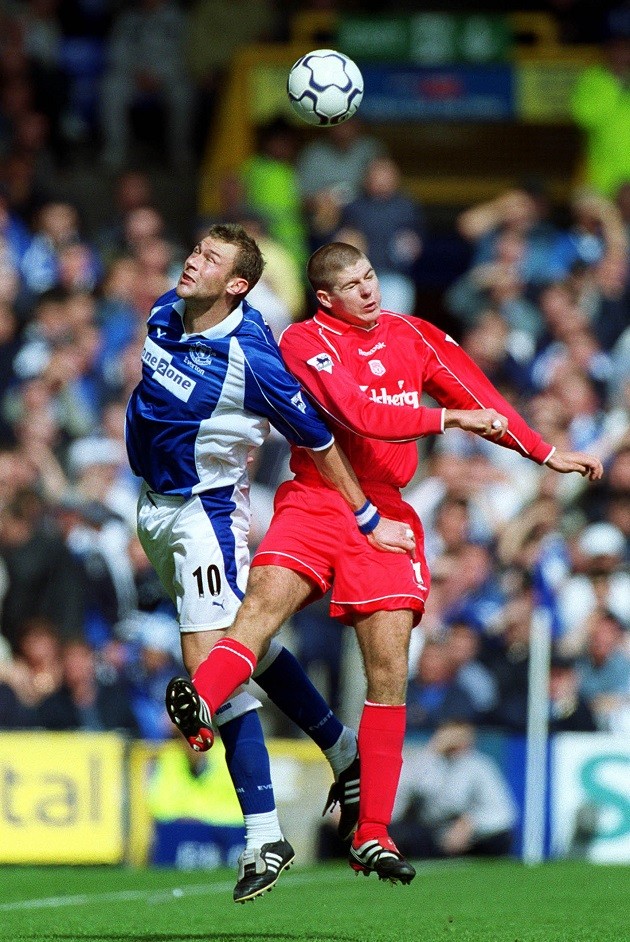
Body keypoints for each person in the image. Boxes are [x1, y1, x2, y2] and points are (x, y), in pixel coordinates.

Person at [165, 240, 604, 885]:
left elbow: (479, 392)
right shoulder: (302, 342)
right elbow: (360, 415)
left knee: (390, 669)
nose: (371, 291)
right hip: (317, 500)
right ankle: (198, 701)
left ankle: (371, 831)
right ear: (326, 299)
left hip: (387, 514)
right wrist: (448, 418)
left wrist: (543, 453)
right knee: (258, 611)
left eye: (371, 278)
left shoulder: (413, 335)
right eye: (355, 285)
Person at [124, 224, 415, 902]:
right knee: (251, 647)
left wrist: (366, 515)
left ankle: (265, 834)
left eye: (210, 259)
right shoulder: (169, 307)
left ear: (238, 286)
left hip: (205, 517)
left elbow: (316, 436)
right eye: (194, 249)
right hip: (153, 508)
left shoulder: (252, 358)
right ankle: (342, 749)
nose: (191, 260)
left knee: (212, 669)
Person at [390, 719, 517, 859]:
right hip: (433, 833)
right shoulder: (426, 760)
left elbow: (503, 814)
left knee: (500, 837)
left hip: (473, 836)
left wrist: (470, 824)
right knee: (401, 834)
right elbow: (397, 807)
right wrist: (433, 751)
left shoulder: (480, 765)